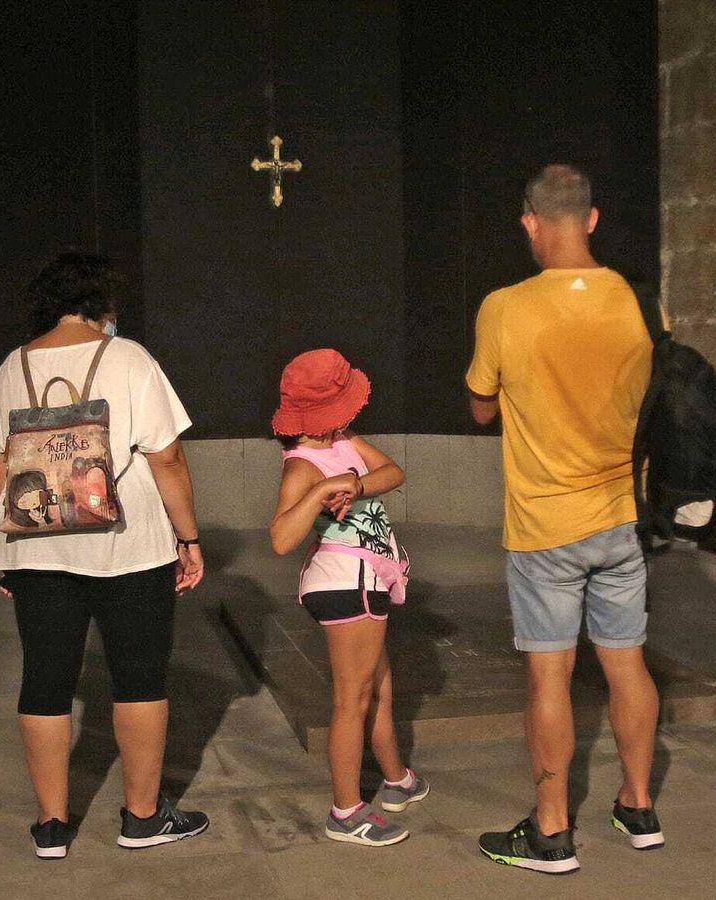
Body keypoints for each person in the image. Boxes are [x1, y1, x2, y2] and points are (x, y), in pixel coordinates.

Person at [467, 165, 663, 875]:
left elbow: (481, 404)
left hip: (545, 523)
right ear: (593, 218)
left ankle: (551, 831)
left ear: (530, 223)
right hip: (620, 516)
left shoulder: (504, 308)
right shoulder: (639, 302)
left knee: (550, 676)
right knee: (627, 663)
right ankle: (638, 806)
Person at [0, 252, 210, 858]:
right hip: (128, 545)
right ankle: (141, 818)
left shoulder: (13, 366)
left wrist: (14, 545)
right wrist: (188, 538)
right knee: (138, 677)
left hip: (38, 548)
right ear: (103, 303)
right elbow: (166, 458)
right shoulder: (128, 357)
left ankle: (51, 826)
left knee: (45, 681)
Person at [268, 348, 428, 847]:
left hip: (365, 576)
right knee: (352, 698)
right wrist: (320, 493)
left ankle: (398, 780)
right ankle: (345, 811)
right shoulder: (301, 465)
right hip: (345, 581)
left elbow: (394, 473)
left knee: (379, 684)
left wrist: (354, 484)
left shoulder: (343, 440)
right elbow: (280, 538)